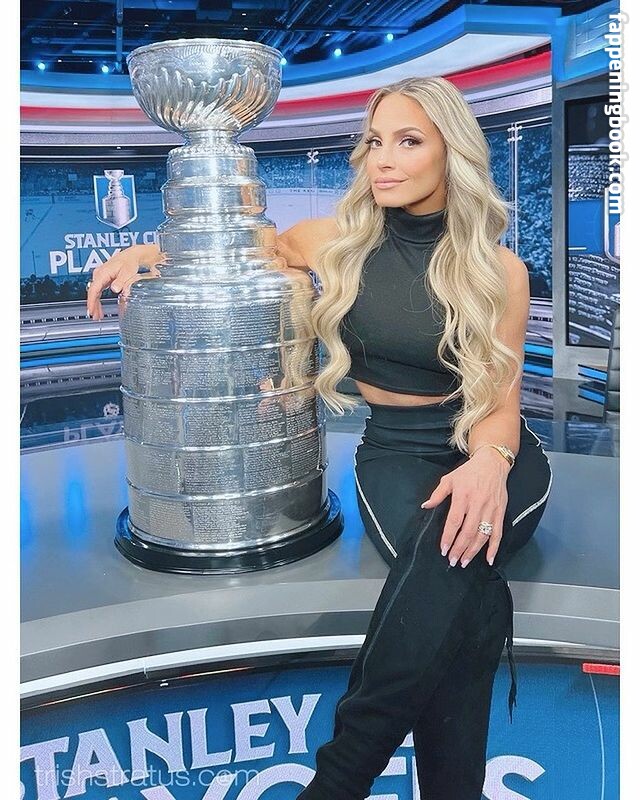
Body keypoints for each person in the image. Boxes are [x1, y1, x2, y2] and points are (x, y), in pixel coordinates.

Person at [87, 76, 553, 800]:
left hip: (495, 449)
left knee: (450, 567)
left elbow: (499, 402)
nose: (383, 159)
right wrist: (153, 250)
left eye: (408, 141)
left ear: (452, 153)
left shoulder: (501, 271)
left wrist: (489, 466)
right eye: (374, 142)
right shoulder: (329, 243)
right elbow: (240, 253)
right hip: (396, 449)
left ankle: (337, 780)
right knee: (455, 578)